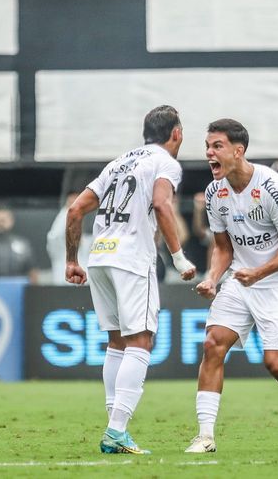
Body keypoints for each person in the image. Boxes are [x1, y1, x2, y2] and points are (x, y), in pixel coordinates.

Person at [63, 106, 196, 455]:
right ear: (177, 134)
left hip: (100, 257)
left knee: (117, 344)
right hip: (132, 258)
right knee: (140, 342)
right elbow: (162, 205)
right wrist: (179, 257)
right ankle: (116, 432)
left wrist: (71, 260)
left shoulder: (117, 162)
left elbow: (75, 209)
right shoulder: (165, 162)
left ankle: (114, 429)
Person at [187, 118, 278, 455]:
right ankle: (205, 435)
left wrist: (259, 272)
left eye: (216, 146)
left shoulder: (272, 187)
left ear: (238, 150)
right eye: (207, 147)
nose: (209, 153)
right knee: (213, 344)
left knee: (276, 363)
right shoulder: (215, 191)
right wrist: (213, 278)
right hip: (242, 277)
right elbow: (223, 247)